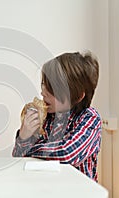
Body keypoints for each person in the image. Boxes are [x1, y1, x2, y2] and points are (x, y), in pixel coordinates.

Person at [12, 51, 102, 182]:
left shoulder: (90, 119)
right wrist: (23, 137)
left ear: (77, 97)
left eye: (52, 89)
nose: (43, 92)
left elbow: (67, 153)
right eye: (44, 84)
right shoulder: (46, 118)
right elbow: (18, 159)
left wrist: (30, 148)